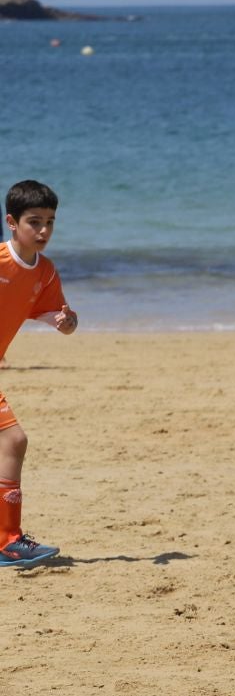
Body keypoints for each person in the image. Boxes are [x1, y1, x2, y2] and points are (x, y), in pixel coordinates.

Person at [0, 180, 79, 569]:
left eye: (50, 222)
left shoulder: (45, 272)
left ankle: (8, 540)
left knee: (12, 442)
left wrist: (68, 322)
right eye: (35, 222)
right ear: (12, 222)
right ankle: (8, 541)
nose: (44, 230)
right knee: (13, 439)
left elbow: (58, 320)